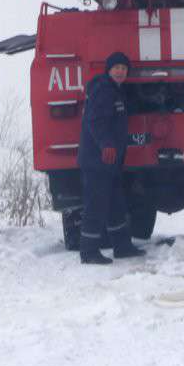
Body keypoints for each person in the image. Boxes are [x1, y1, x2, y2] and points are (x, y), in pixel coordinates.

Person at [77, 50, 143, 264]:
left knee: (115, 203)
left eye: (123, 68)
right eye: (116, 68)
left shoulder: (116, 91)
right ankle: (88, 252)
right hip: (97, 159)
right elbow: (95, 120)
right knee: (96, 204)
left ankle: (122, 247)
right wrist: (105, 144)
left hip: (110, 161)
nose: (120, 72)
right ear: (109, 70)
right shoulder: (103, 90)